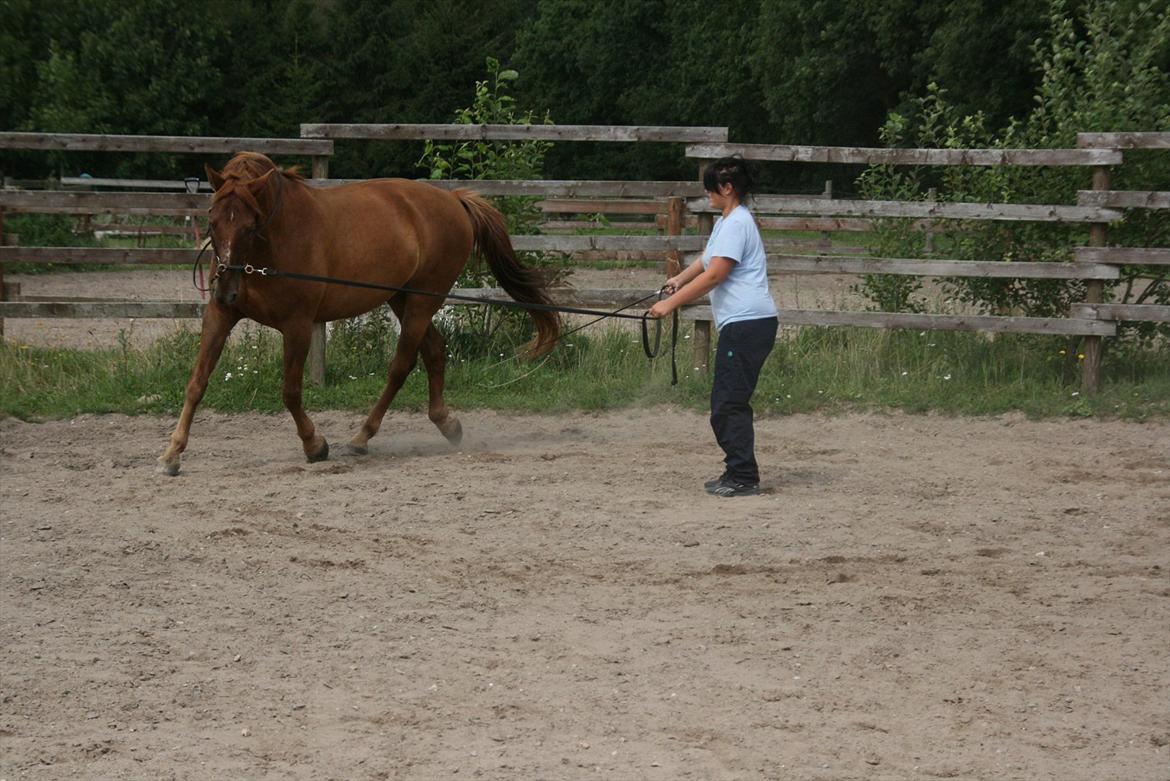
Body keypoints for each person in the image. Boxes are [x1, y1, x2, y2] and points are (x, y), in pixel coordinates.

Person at [647, 156, 778, 497]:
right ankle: (736, 470)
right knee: (726, 400)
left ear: (727, 188)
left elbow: (718, 274)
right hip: (744, 324)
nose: (707, 195)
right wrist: (678, 279)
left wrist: (670, 305)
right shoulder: (727, 221)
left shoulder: (737, 224)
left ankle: (744, 477)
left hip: (748, 324)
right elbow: (707, 259)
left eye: (711, 190)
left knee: (729, 402)